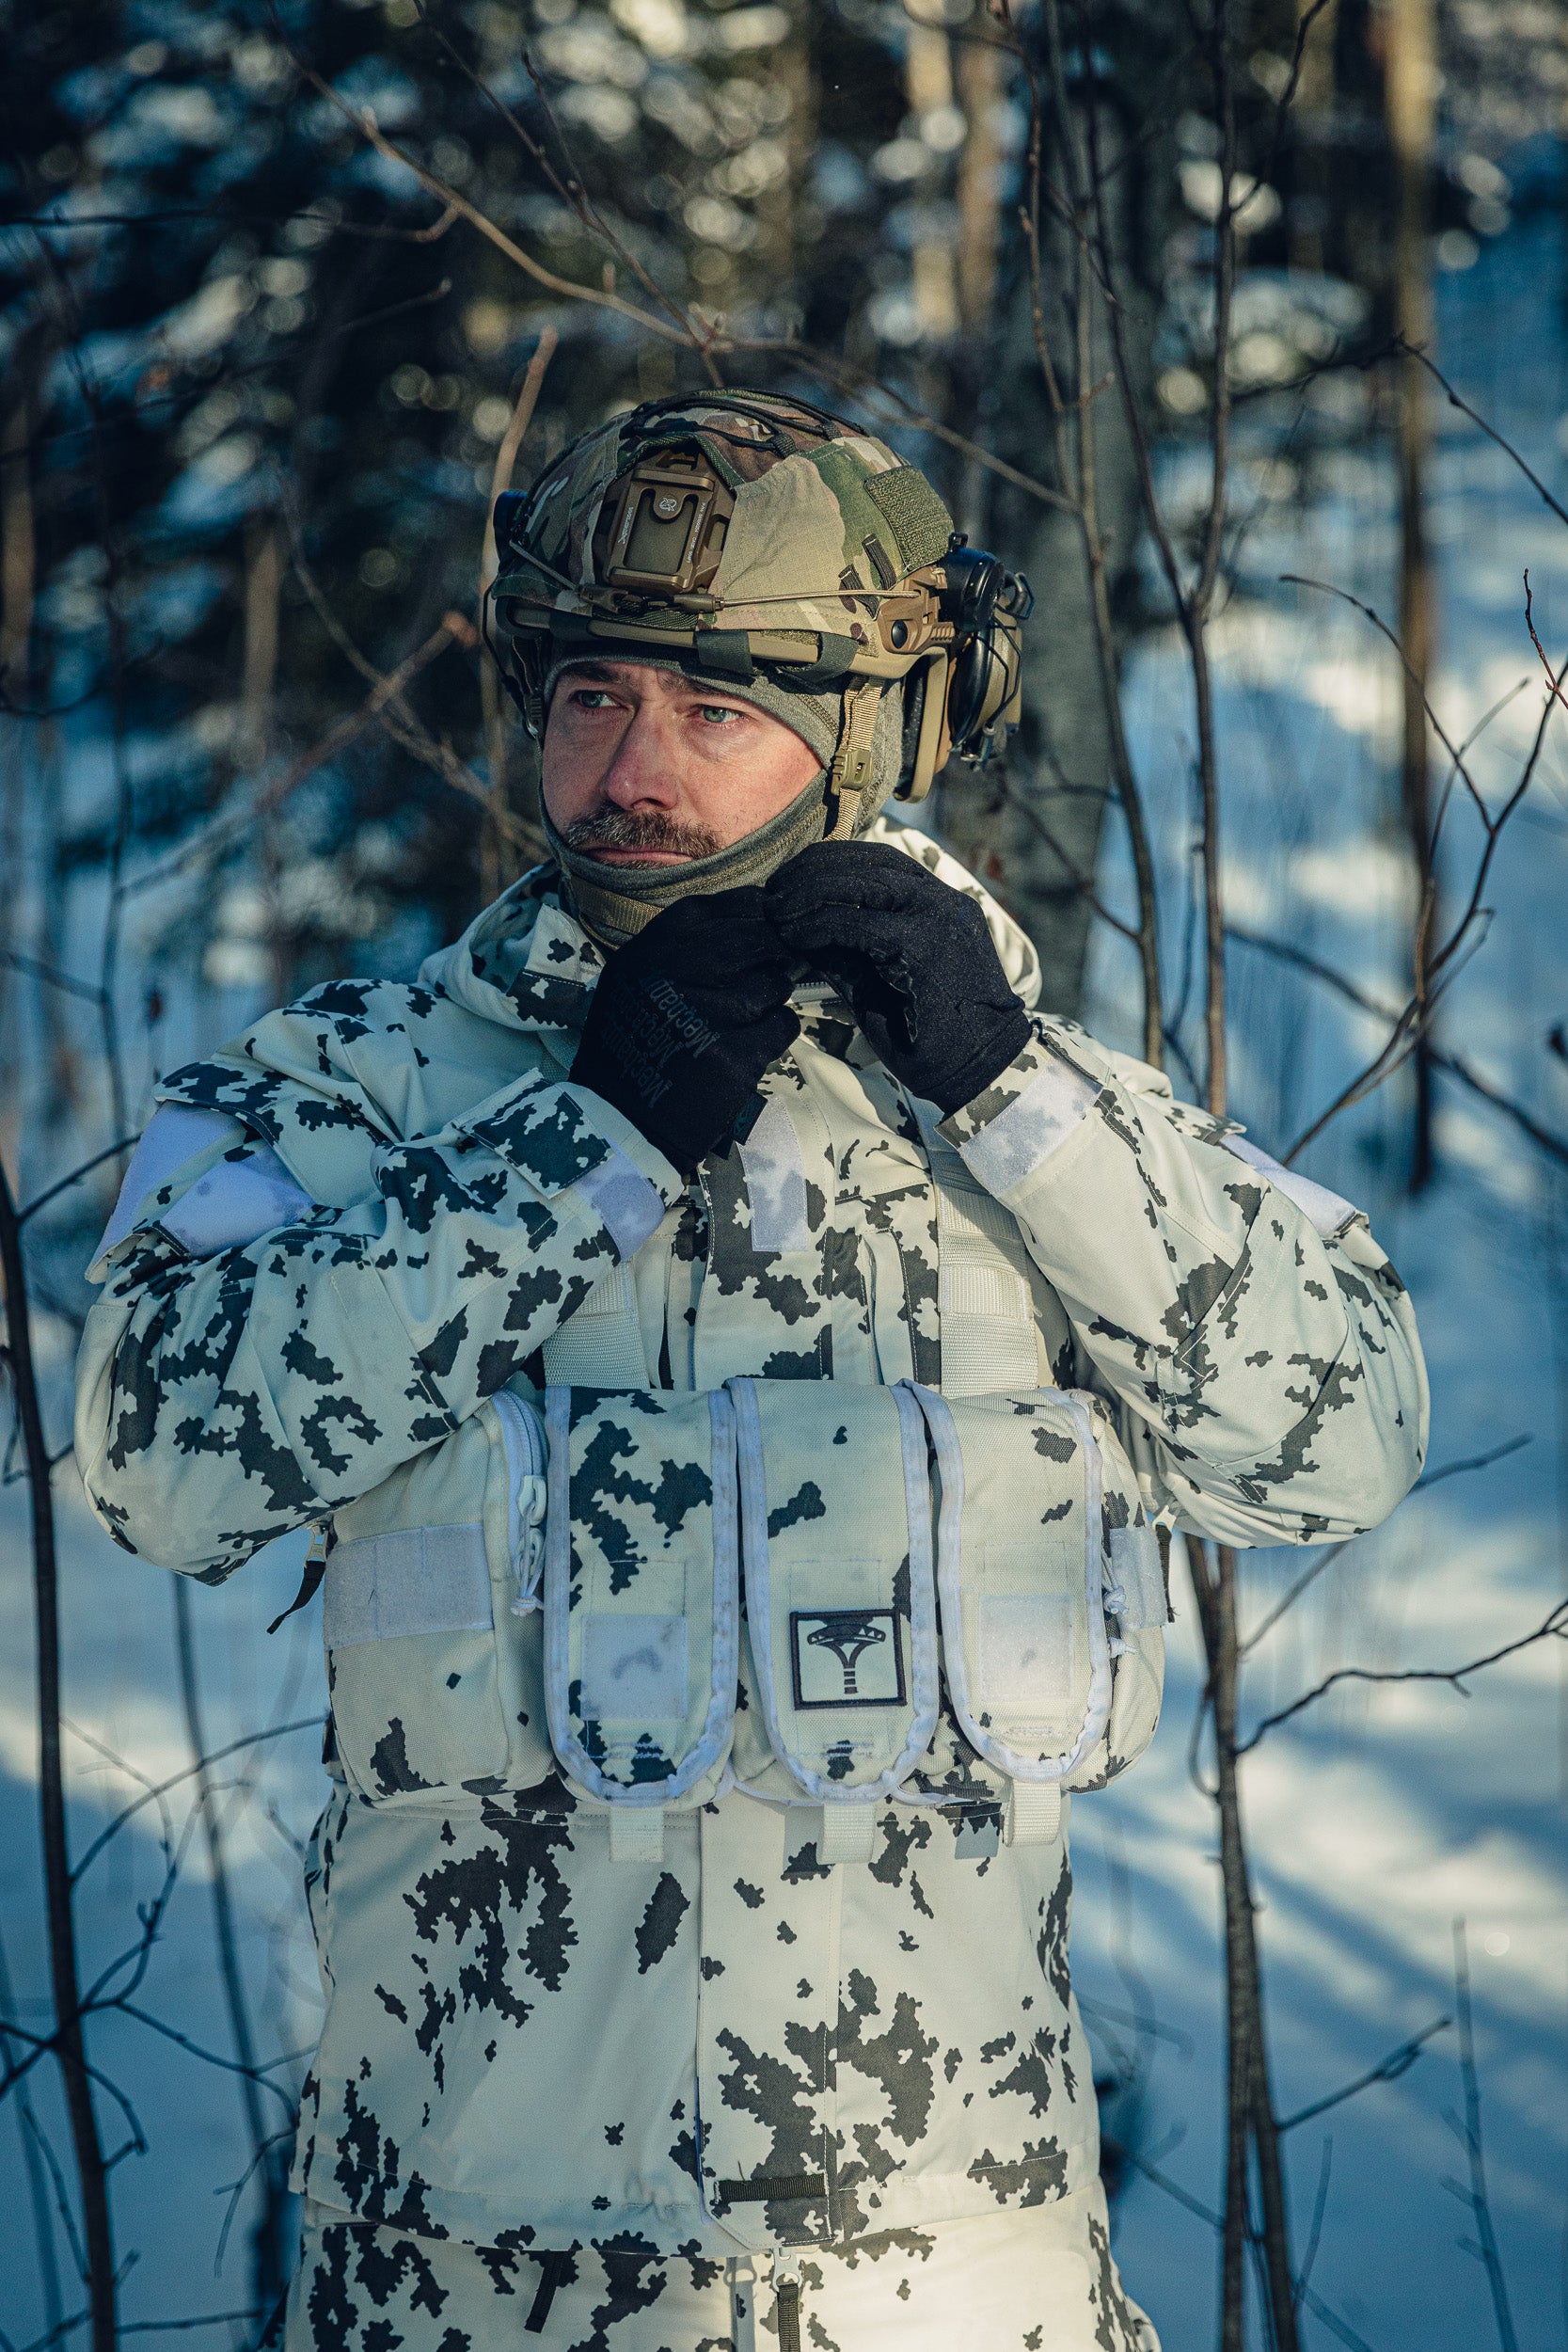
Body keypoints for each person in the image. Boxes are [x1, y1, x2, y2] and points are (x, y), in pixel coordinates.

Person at [75, 392, 1427, 2352]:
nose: (632, 769)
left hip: (955, 2277)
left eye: (720, 708)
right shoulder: (361, 1093)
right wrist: (581, 1144)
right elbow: (151, 1460)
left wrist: (1010, 1092)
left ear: (874, 728)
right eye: (593, 694)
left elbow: (1347, 1433)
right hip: (468, 2280)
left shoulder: (1015, 1117)